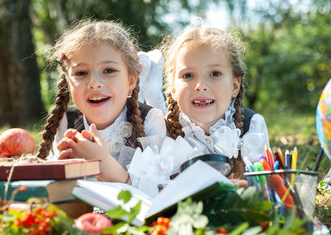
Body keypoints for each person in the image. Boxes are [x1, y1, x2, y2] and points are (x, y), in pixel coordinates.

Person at [36, 20, 166, 184]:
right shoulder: (65, 122)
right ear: (69, 83)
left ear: (131, 80)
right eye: (81, 73)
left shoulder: (150, 120)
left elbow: (157, 191)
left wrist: (105, 165)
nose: (94, 83)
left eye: (109, 70)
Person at [160, 25, 269, 184]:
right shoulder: (162, 131)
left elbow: (267, 190)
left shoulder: (252, 126)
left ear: (235, 86)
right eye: (188, 75)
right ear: (174, 89)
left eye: (215, 74)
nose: (201, 85)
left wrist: (248, 190)